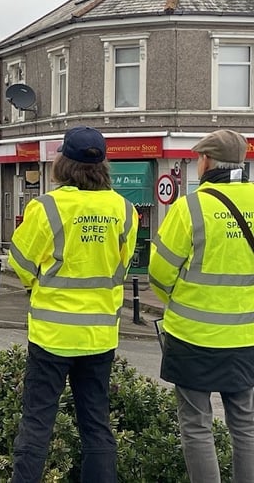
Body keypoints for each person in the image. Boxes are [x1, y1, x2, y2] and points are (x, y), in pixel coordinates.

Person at [8, 126, 138, 483]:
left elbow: (20, 263)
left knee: (37, 422)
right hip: (99, 337)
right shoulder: (124, 210)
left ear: (62, 163)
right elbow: (122, 268)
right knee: (96, 423)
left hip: (51, 336)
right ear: (103, 164)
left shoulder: (45, 207)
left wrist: (40, 283)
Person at [149, 129, 254, 483]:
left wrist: (179, 301)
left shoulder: (189, 207)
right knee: (246, 423)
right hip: (247, 337)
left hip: (193, 336)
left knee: (196, 425)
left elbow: (160, 274)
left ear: (207, 162)